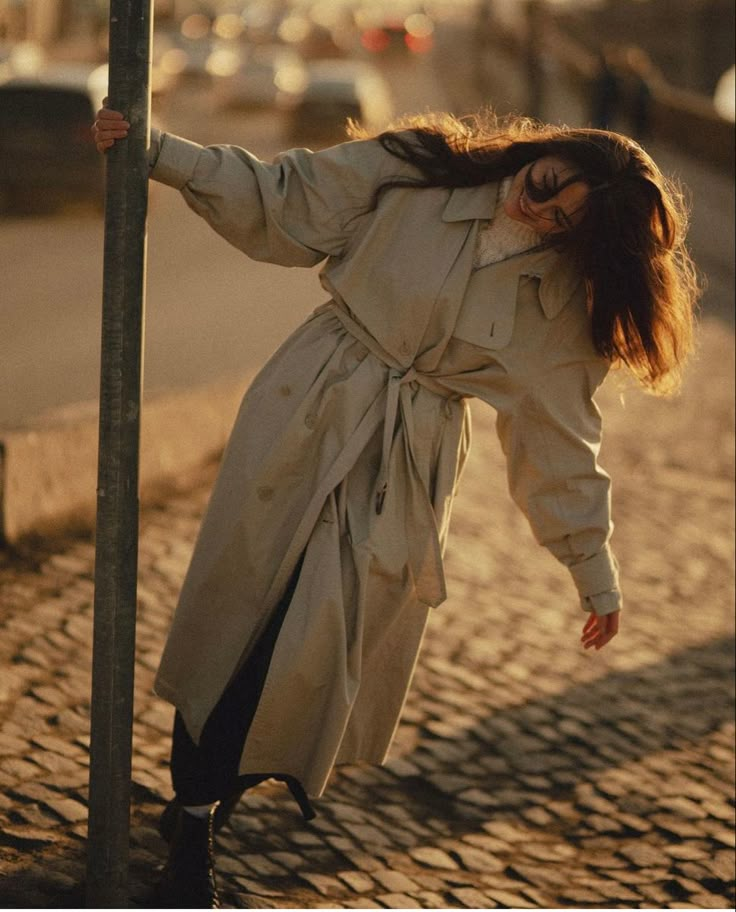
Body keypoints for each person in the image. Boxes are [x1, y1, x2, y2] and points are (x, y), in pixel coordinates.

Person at [92, 104, 699, 907]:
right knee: (243, 617)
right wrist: (158, 151)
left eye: (563, 220)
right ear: (542, 152)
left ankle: (208, 798)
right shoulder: (418, 168)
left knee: (314, 644)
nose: (540, 209)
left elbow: (559, 440)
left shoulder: (560, 301)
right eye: (548, 185)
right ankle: (196, 819)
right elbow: (284, 198)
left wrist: (594, 569)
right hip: (311, 404)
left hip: (408, 462)